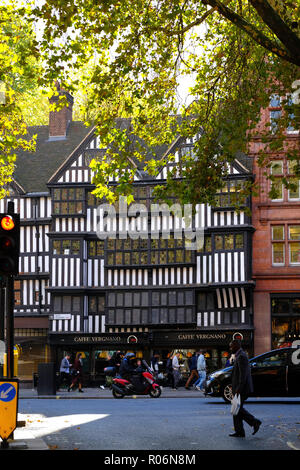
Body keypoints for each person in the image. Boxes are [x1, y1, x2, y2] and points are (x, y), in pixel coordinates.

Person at [229, 339, 261, 438]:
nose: (230, 349)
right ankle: (240, 431)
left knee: (236, 408)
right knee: (236, 409)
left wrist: (238, 389)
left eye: (231, 346)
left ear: (236, 346)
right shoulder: (239, 355)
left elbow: (243, 375)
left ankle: (254, 422)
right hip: (239, 387)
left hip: (241, 388)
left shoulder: (241, 356)